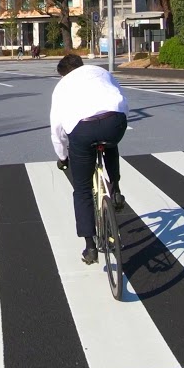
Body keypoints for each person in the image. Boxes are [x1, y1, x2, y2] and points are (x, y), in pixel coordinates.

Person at [49, 53, 128, 265]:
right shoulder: (101, 72)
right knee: (110, 143)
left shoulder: (63, 86)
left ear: (63, 74)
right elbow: (121, 97)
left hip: (82, 130)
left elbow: (57, 129)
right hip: (115, 121)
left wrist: (63, 157)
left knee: (82, 189)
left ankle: (90, 246)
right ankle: (116, 189)